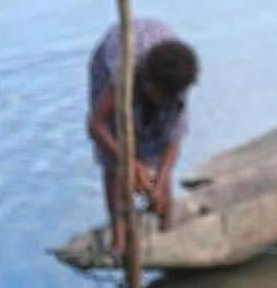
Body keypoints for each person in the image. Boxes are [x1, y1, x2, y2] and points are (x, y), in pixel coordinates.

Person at [85, 18, 199, 260]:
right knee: (115, 157)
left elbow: (173, 138)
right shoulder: (124, 75)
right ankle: (119, 235)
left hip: (160, 62)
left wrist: (159, 181)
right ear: (147, 85)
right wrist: (129, 163)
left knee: (157, 152)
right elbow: (96, 125)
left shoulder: (177, 85)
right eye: (156, 94)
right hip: (110, 64)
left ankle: (167, 224)